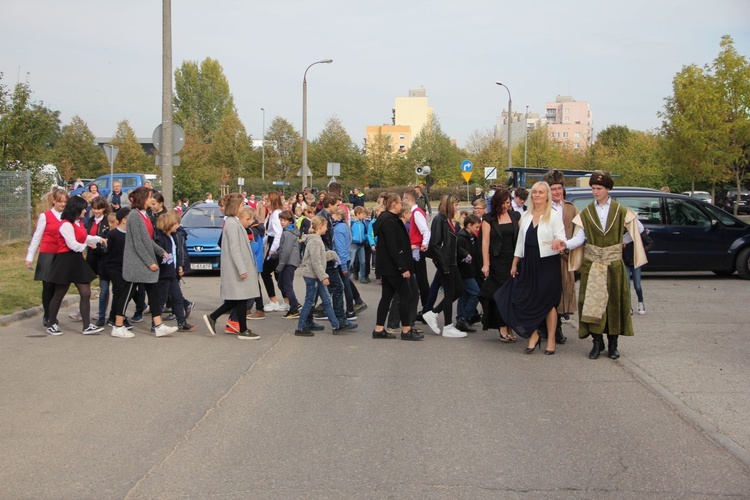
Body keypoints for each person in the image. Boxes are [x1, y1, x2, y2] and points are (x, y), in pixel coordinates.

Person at [555, 171, 647, 360]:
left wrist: (621, 242)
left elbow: (638, 229)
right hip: (593, 264)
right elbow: (580, 238)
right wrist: (566, 244)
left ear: (608, 189)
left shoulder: (620, 210)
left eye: (599, 188)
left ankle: (613, 344)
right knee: (592, 304)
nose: (595, 192)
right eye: (593, 188)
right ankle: (597, 342)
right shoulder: (587, 212)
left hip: (614, 266)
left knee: (614, 303)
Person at [495, 181, 566, 355]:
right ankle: (533, 335)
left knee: (548, 303)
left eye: (541, 192)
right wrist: (514, 263)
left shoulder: (554, 215)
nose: (537, 195)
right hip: (528, 262)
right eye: (534, 192)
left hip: (548, 263)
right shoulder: (526, 216)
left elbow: (561, 237)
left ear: (547, 195)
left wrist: (560, 243)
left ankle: (550, 340)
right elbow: (520, 242)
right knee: (524, 300)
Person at [113, 186, 178, 338]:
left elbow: (147, 240)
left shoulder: (145, 215)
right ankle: (117, 325)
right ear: (143, 198)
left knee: (153, 293)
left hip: (143, 261)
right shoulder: (134, 216)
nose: (151, 200)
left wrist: (161, 251)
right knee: (127, 293)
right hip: (137, 263)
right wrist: (150, 262)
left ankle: (158, 325)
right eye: (150, 197)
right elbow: (138, 243)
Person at [43, 195, 106, 335]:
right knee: (59, 293)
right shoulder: (65, 224)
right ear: (76, 209)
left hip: (77, 260)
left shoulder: (78, 223)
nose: (85, 211)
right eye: (84, 209)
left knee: (86, 292)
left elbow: (83, 236)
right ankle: (51, 323)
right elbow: (73, 244)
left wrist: (98, 238)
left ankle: (87, 325)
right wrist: (86, 245)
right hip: (65, 260)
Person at [203, 193, 261, 339]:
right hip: (237, 268)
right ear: (235, 207)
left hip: (238, 267)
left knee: (240, 298)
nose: (243, 207)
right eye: (241, 205)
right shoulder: (232, 223)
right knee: (239, 297)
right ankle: (238, 327)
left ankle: (235, 326)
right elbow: (235, 248)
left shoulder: (233, 222)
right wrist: (242, 269)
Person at [371, 194, 422, 341]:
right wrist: (403, 267)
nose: (401, 205)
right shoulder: (390, 222)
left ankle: (379, 329)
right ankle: (406, 330)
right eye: (400, 203)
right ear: (394, 204)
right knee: (406, 295)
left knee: (387, 296)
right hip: (393, 267)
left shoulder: (386, 220)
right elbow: (393, 247)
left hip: (387, 266)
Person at [541, 169, 579, 345]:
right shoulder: (542, 209)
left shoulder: (571, 208)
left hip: (565, 257)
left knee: (563, 293)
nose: (557, 192)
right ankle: (549, 327)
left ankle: (556, 327)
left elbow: (579, 233)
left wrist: (569, 248)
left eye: (559, 188)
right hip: (546, 257)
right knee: (547, 292)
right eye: (554, 189)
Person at [479, 188, 520, 341]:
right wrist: (486, 263)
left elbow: (522, 236)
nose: (506, 206)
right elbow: (485, 242)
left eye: (508, 203)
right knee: (501, 295)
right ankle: (502, 327)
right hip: (497, 261)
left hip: (514, 260)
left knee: (514, 295)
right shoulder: (489, 218)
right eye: (503, 203)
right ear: (497, 203)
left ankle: (510, 325)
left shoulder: (515, 215)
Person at [422, 194, 465, 338]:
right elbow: (435, 244)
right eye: (455, 205)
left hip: (451, 261)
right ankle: (447, 326)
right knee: (450, 293)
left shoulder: (448, 220)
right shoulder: (439, 219)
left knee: (458, 291)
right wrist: (443, 265)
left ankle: (433, 313)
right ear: (448, 205)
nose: (457, 208)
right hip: (446, 262)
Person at [25, 188, 68, 327]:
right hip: (47, 253)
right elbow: (37, 236)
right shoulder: (45, 216)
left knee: (58, 287)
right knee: (48, 285)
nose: (63, 205)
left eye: (65, 202)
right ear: (54, 201)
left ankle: (53, 313)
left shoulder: (67, 216)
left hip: (61, 254)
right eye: (60, 202)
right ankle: (47, 315)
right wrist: (30, 256)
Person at [295, 216, 342, 337]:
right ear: (320, 227)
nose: (327, 229)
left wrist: (331, 254)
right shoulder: (315, 241)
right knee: (309, 301)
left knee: (326, 300)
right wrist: (323, 277)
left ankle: (336, 325)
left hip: (315, 275)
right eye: (326, 226)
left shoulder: (316, 240)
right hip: (313, 275)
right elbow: (316, 262)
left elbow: (318, 257)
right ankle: (300, 327)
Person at [154, 211, 196, 332]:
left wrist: (179, 266)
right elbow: (158, 257)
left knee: (177, 298)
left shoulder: (172, 237)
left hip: (172, 274)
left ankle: (181, 322)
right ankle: (155, 323)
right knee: (161, 300)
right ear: (168, 226)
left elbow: (176, 254)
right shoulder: (160, 239)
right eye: (174, 224)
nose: (177, 226)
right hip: (163, 275)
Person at [402, 188, 431, 319]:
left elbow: (425, 230)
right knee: (419, 280)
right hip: (415, 249)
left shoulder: (416, 213)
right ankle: (426, 308)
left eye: (403, 199)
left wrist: (424, 244)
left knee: (421, 281)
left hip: (417, 250)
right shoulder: (414, 212)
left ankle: (427, 309)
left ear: (408, 199)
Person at [85, 197, 111, 327]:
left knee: (104, 287)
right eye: (94, 208)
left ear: (104, 209)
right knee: (85, 283)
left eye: (99, 209)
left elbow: (107, 240)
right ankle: (83, 309)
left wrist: (98, 247)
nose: (96, 211)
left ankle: (102, 313)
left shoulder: (107, 222)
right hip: (91, 256)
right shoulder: (90, 221)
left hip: (103, 257)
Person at [455, 214, 482, 333]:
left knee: (465, 295)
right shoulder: (461, 238)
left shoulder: (471, 236)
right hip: (465, 272)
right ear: (469, 225)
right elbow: (457, 255)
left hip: (470, 271)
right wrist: (464, 259)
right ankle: (464, 318)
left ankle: (460, 318)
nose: (478, 229)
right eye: (476, 227)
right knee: (476, 293)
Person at [261, 191, 287, 312]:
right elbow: (269, 232)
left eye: (267, 201)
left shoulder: (276, 214)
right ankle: (287, 301)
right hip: (273, 243)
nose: (265, 203)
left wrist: (272, 250)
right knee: (278, 274)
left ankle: (273, 300)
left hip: (275, 246)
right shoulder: (274, 213)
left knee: (265, 272)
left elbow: (277, 234)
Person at [276, 210, 301, 319]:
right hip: (289, 262)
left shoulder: (288, 233)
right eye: (281, 220)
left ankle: (294, 308)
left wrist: (280, 266)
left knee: (287, 285)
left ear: (290, 221)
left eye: (284, 220)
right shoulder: (288, 231)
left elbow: (286, 251)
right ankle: (295, 303)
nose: (282, 222)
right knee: (282, 284)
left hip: (289, 262)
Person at [624, 228, 653, 315]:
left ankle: (641, 302)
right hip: (625, 261)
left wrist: (641, 251)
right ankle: (628, 306)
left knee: (637, 286)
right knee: (626, 285)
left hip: (636, 262)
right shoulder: (621, 232)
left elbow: (650, 242)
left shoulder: (638, 231)